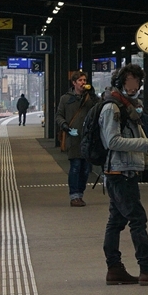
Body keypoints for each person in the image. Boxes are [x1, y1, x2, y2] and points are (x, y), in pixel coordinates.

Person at [100, 63, 148, 286]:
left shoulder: (128, 107)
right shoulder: (112, 108)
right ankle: (147, 269)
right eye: (129, 81)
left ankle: (114, 270)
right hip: (119, 172)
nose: (134, 86)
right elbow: (112, 141)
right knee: (137, 220)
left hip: (123, 170)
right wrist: (145, 143)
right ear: (120, 82)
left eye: (138, 82)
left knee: (116, 221)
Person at [55, 70, 97, 207]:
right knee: (75, 166)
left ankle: (80, 194)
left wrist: (93, 96)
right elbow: (59, 116)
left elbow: (99, 109)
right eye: (80, 80)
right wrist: (66, 127)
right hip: (73, 138)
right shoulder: (65, 99)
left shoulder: (89, 99)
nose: (83, 83)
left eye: (84, 80)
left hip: (87, 138)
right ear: (74, 83)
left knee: (85, 169)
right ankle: (74, 196)